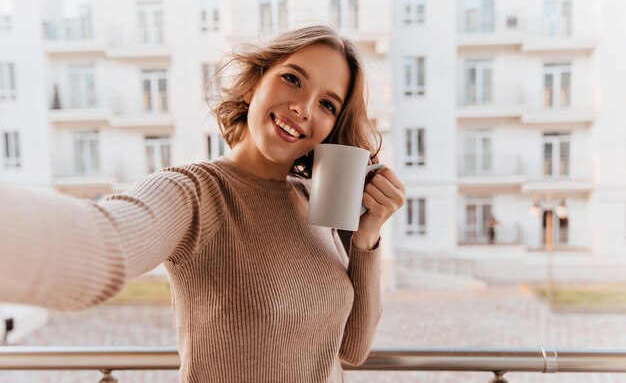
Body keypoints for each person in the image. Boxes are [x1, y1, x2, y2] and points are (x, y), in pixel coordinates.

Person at [0, 25, 405, 382]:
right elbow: (101, 241)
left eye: (327, 104)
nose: (303, 108)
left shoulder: (316, 201)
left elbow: (352, 349)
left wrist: (367, 236)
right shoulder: (195, 192)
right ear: (254, 85)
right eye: (292, 79)